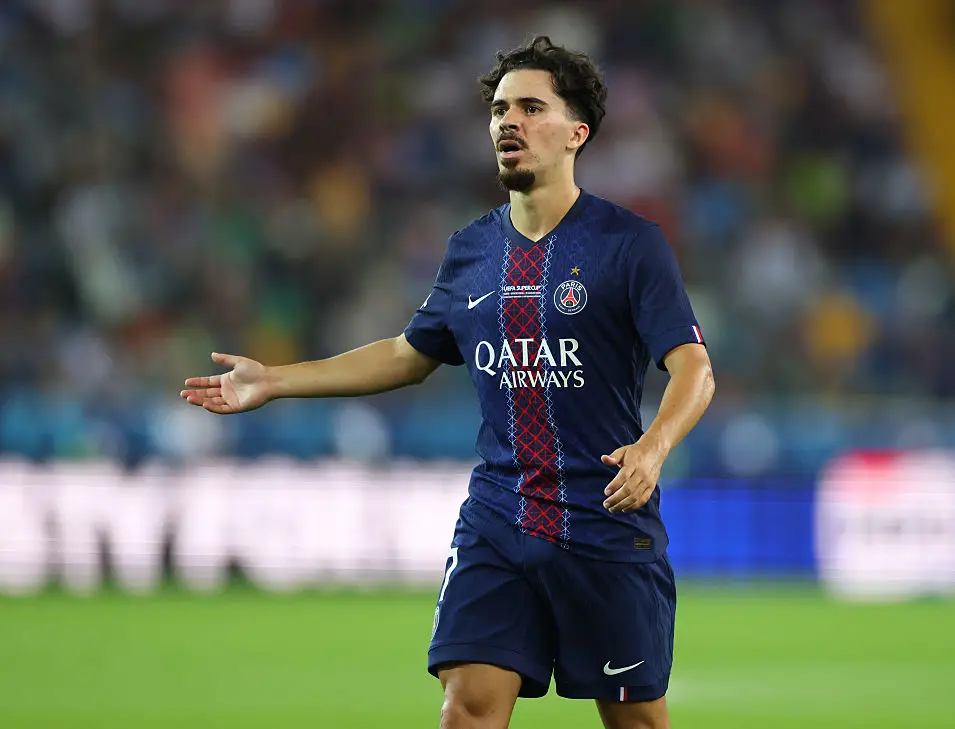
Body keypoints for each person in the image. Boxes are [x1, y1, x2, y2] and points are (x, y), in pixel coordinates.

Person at [181, 35, 714, 729]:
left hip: (604, 519)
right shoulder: (472, 249)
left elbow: (693, 367)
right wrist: (276, 379)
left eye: (529, 107)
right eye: (498, 110)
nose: (506, 122)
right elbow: (410, 353)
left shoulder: (628, 244)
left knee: (636, 721)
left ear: (576, 132)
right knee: (466, 709)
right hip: (499, 515)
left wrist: (653, 447)